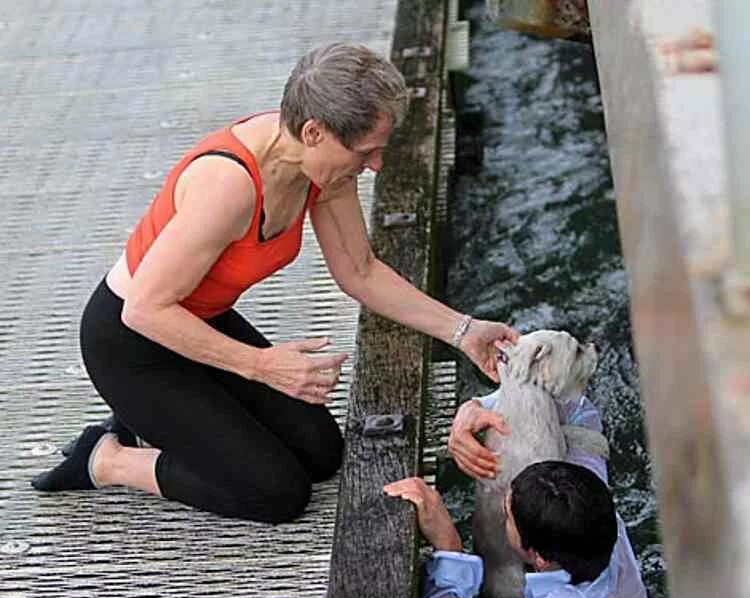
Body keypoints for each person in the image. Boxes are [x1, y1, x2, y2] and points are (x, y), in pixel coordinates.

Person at [31, 42, 518, 524]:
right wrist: (263, 365)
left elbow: (361, 271)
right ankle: (107, 459)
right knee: (278, 493)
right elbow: (142, 310)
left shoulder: (324, 169)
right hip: (131, 344)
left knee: (323, 453)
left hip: (199, 324)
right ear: (314, 131)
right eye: (366, 151)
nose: (376, 166)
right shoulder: (230, 184)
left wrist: (464, 330)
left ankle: (151, 424)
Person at [384, 394, 668, 598]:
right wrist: (481, 408)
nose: (502, 514)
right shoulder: (592, 505)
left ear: (539, 557)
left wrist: (448, 546)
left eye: (506, 516)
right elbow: (581, 411)